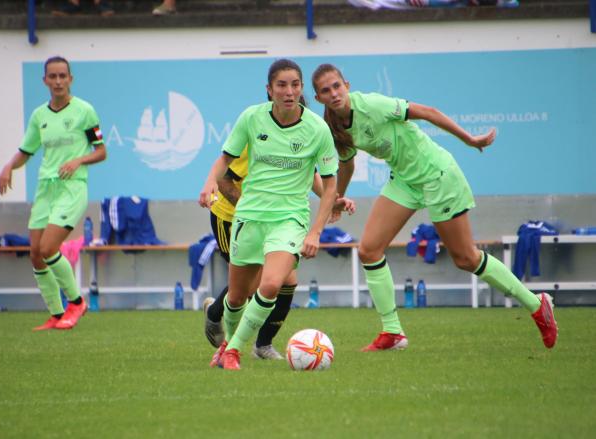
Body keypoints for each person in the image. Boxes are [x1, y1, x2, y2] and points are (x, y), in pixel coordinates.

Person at [311, 63, 557, 351]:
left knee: (466, 258)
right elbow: (347, 163)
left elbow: (429, 112)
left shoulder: (373, 105)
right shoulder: (334, 125)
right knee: (368, 249)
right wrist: (339, 197)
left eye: (337, 86)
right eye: (326, 91)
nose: (334, 93)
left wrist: (469, 139)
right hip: (404, 180)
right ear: (318, 98)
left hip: (436, 174)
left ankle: (536, 305)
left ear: (347, 85)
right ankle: (393, 333)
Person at [199, 59, 339, 370]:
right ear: (269, 90)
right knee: (236, 298)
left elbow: (329, 183)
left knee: (273, 284)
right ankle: (228, 344)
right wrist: (209, 184)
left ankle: (234, 350)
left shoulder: (317, 129)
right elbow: (225, 160)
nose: (289, 92)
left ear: (301, 89)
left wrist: (316, 230)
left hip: (290, 220)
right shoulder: (251, 118)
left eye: (295, 85)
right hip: (249, 216)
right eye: (282, 85)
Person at [203, 147, 355, 360]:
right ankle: (215, 314)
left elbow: (310, 174)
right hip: (230, 218)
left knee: (285, 281)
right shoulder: (257, 135)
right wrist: (251, 210)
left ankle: (263, 345)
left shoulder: (301, 135)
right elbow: (224, 180)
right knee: (250, 285)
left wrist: (332, 201)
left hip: (273, 219)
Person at [0, 56, 107, 331]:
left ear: (71, 79)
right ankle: (57, 314)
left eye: (62, 76)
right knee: (35, 253)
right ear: (45, 80)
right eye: (52, 77)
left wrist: (78, 160)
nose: (58, 81)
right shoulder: (39, 116)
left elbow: (101, 151)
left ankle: (77, 302)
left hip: (72, 187)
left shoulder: (85, 111)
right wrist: (9, 166)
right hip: (45, 188)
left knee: (48, 248)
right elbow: (26, 151)